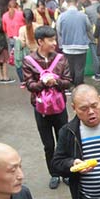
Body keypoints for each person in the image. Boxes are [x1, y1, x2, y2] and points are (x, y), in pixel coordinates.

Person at [23, 25, 72, 190]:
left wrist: (56, 82)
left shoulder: (61, 59)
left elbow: (68, 81)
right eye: (51, 40)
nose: (54, 43)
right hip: (41, 109)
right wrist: (42, 83)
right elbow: (29, 84)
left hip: (59, 107)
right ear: (40, 41)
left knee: (63, 140)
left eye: (54, 39)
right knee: (48, 144)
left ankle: (66, 172)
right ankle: (54, 174)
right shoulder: (29, 61)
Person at [56, 0, 93, 86]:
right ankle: (79, 85)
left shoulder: (61, 16)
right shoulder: (83, 16)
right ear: (77, 3)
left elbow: (58, 30)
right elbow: (89, 28)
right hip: (81, 46)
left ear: (67, 4)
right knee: (79, 68)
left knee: (70, 67)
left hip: (67, 46)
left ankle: (70, 84)